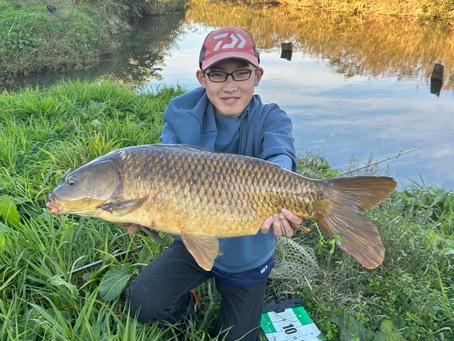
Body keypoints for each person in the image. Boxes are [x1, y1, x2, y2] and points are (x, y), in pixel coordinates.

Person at [125, 27, 305, 340]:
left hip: (248, 257)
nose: (230, 86)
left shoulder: (272, 118)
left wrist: (285, 201)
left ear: (257, 76)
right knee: (141, 303)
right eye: (218, 74)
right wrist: (137, 210)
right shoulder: (181, 115)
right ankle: (188, 303)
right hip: (192, 241)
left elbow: (281, 157)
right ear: (202, 78)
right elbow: (160, 172)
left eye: (241, 73)